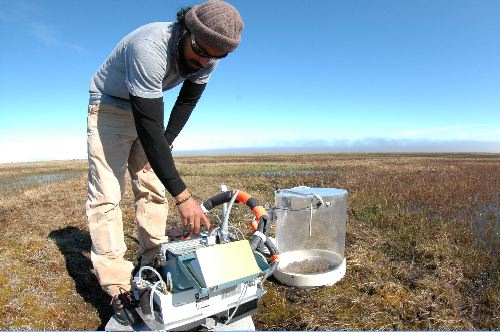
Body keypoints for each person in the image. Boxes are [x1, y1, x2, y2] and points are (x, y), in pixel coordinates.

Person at [86, 0, 244, 325]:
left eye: (216, 55)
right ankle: (118, 288)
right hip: (110, 107)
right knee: (106, 196)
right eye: (200, 49)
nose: (204, 60)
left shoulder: (208, 56)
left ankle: (154, 261)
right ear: (187, 29)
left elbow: (185, 103)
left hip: (145, 110)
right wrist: (184, 197)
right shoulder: (150, 47)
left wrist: (165, 146)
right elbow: (148, 125)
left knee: (153, 188)